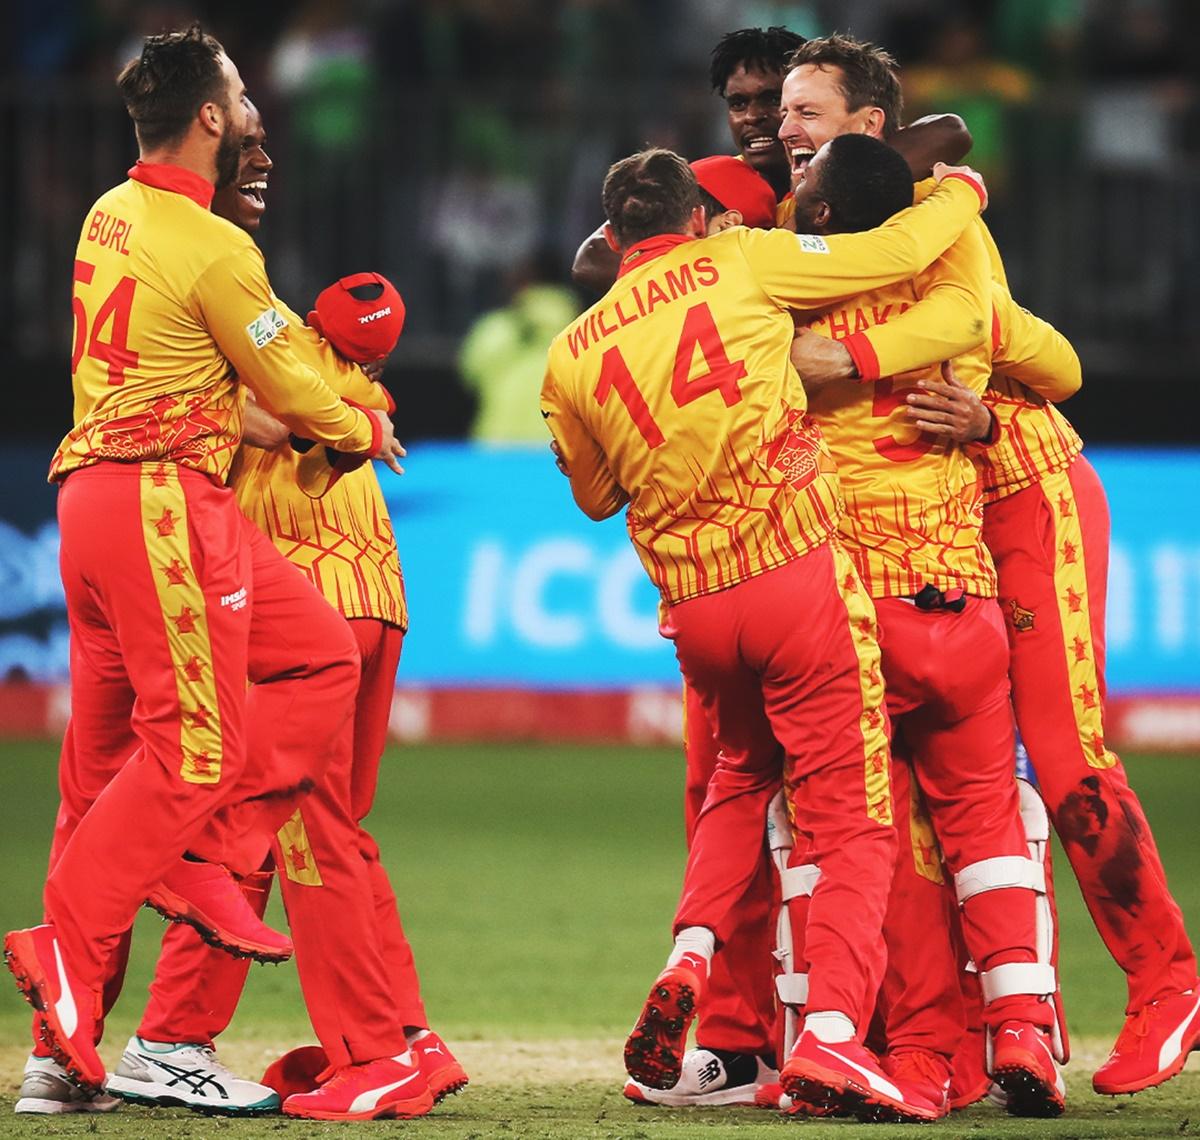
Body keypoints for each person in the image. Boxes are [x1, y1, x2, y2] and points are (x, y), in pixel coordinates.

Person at [1, 25, 420, 1120]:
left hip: (93, 498)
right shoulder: (215, 245)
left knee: (309, 661)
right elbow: (298, 387)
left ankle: (63, 1049)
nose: (256, 118)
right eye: (241, 100)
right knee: (196, 751)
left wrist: (268, 418)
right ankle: (80, 938)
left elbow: (181, 368)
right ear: (208, 120)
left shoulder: (110, 213)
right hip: (158, 504)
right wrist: (361, 423)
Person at [543, 144, 991, 1122]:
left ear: (614, 236)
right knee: (854, 817)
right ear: (696, 221)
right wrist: (960, 190)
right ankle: (833, 1038)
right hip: (793, 577)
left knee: (739, 781)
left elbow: (591, 496)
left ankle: (690, 954)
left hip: (697, 611)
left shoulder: (569, 353)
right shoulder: (742, 263)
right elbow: (893, 251)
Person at [97, 106, 465, 1121]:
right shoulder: (360, 395)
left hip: (294, 617)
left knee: (274, 833)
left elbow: (251, 407)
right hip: (378, 610)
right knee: (316, 831)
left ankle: (340, 1046)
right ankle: (402, 1035)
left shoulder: (271, 355)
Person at [786, 131, 1063, 1120]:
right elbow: (1061, 366)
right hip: (967, 599)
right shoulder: (961, 308)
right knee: (986, 824)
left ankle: (917, 1059)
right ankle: (1023, 1024)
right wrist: (960, 185)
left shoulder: (795, 306)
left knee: (884, 838)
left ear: (819, 217)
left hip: (865, 616)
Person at [572, 25, 970, 292]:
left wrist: (833, 178)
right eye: (738, 103)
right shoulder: (721, 183)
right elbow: (592, 260)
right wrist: (731, 257)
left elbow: (950, 131)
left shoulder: (860, 158)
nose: (753, 117)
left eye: (773, 99)